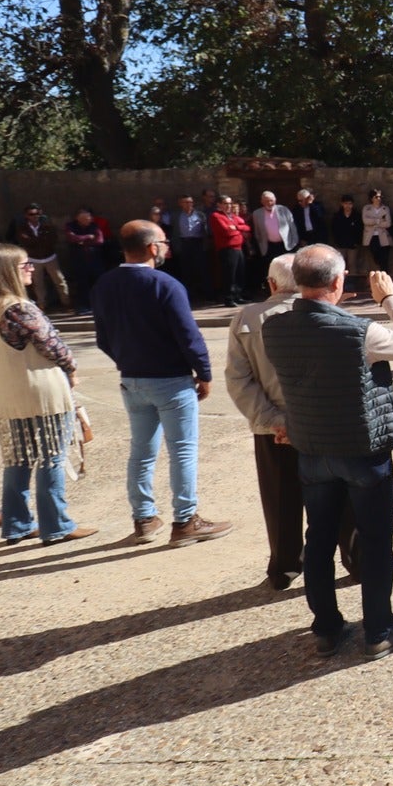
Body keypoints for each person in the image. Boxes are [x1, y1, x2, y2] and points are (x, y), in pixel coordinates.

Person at [263, 246, 393, 658]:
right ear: (338, 283)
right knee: (375, 541)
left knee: (318, 539)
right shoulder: (360, 331)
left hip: (312, 448)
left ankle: (326, 628)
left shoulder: (274, 327)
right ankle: (378, 630)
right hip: (360, 448)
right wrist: (390, 299)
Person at [91, 221, 233, 546]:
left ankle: (144, 518)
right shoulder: (165, 285)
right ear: (153, 247)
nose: (167, 247)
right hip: (170, 380)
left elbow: (102, 338)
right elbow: (188, 335)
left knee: (141, 451)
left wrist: (126, 361)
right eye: (164, 242)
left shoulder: (104, 284)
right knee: (182, 449)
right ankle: (185, 520)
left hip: (132, 379)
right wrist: (205, 373)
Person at [226, 255, 357, 590]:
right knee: (342, 494)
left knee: (281, 498)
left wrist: (275, 421)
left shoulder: (247, 317)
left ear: (272, 284)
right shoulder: (326, 314)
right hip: (323, 424)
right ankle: (357, 559)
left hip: (273, 428)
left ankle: (285, 565)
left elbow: (239, 380)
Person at [0, 243, 94, 545]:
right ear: (8, 270)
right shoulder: (18, 308)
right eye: (25, 264)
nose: (31, 268)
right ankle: (56, 524)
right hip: (41, 391)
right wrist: (72, 367)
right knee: (51, 457)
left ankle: (17, 523)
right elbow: (53, 347)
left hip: (9, 392)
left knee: (18, 460)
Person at [7, 204, 70, 311]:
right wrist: (39, 240)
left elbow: (52, 239)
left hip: (49, 256)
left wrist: (35, 240)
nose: (34, 216)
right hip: (34, 258)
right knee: (38, 283)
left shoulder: (47, 225)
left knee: (60, 280)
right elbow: (25, 242)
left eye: (37, 214)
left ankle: (66, 302)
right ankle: (42, 305)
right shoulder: (22, 228)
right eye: (31, 214)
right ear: (26, 216)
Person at [162, 194, 212, 304]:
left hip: (198, 243)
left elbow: (206, 230)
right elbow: (165, 222)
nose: (188, 204)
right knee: (186, 271)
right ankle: (189, 297)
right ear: (180, 204)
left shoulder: (200, 215)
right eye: (185, 202)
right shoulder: (175, 216)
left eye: (190, 202)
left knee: (203, 270)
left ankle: (208, 296)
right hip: (184, 244)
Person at [64, 207, 109, 314]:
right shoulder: (71, 226)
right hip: (79, 261)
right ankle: (84, 306)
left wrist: (81, 240)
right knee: (82, 284)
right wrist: (88, 237)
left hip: (94, 260)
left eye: (88, 218)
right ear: (77, 218)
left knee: (97, 283)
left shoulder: (94, 226)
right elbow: (72, 238)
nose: (86, 220)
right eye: (83, 218)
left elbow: (99, 240)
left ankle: (98, 305)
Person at [208, 196, 251, 306]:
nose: (229, 206)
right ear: (219, 204)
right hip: (227, 249)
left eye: (230, 203)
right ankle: (229, 298)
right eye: (225, 203)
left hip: (238, 248)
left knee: (239, 273)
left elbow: (247, 227)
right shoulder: (216, 216)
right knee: (229, 274)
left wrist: (235, 227)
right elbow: (226, 232)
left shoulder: (232, 217)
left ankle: (238, 295)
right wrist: (238, 230)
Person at [248, 191, 299, 261]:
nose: (269, 203)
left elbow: (293, 228)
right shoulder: (256, 214)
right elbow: (257, 232)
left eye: (271, 200)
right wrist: (261, 244)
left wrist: (294, 242)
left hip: (285, 245)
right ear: (262, 202)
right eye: (266, 201)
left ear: (275, 200)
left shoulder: (284, 210)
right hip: (269, 247)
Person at [330, 194, 366, 291]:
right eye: (346, 204)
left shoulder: (356, 216)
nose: (348, 206)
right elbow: (334, 229)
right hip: (340, 244)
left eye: (350, 204)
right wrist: (337, 241)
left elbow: (360, 230)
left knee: (352, 264)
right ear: (342, 204)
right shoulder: (337, 216)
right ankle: (341, 285)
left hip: (352, 244)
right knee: (341, 264)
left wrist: (357, 242)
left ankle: (351, 284)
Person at [361, 189, 393, 274]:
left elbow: (388, 223)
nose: (378, 199)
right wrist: (379, 221)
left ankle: (385, 275)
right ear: (372, 198)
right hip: (372, 236)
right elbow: (365, 221)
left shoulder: (385, 208)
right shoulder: (366, 208)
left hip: (383, 236)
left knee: (385, 258)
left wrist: (374, 222)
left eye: (380, 197)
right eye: (376, 197)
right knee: (375, 255)